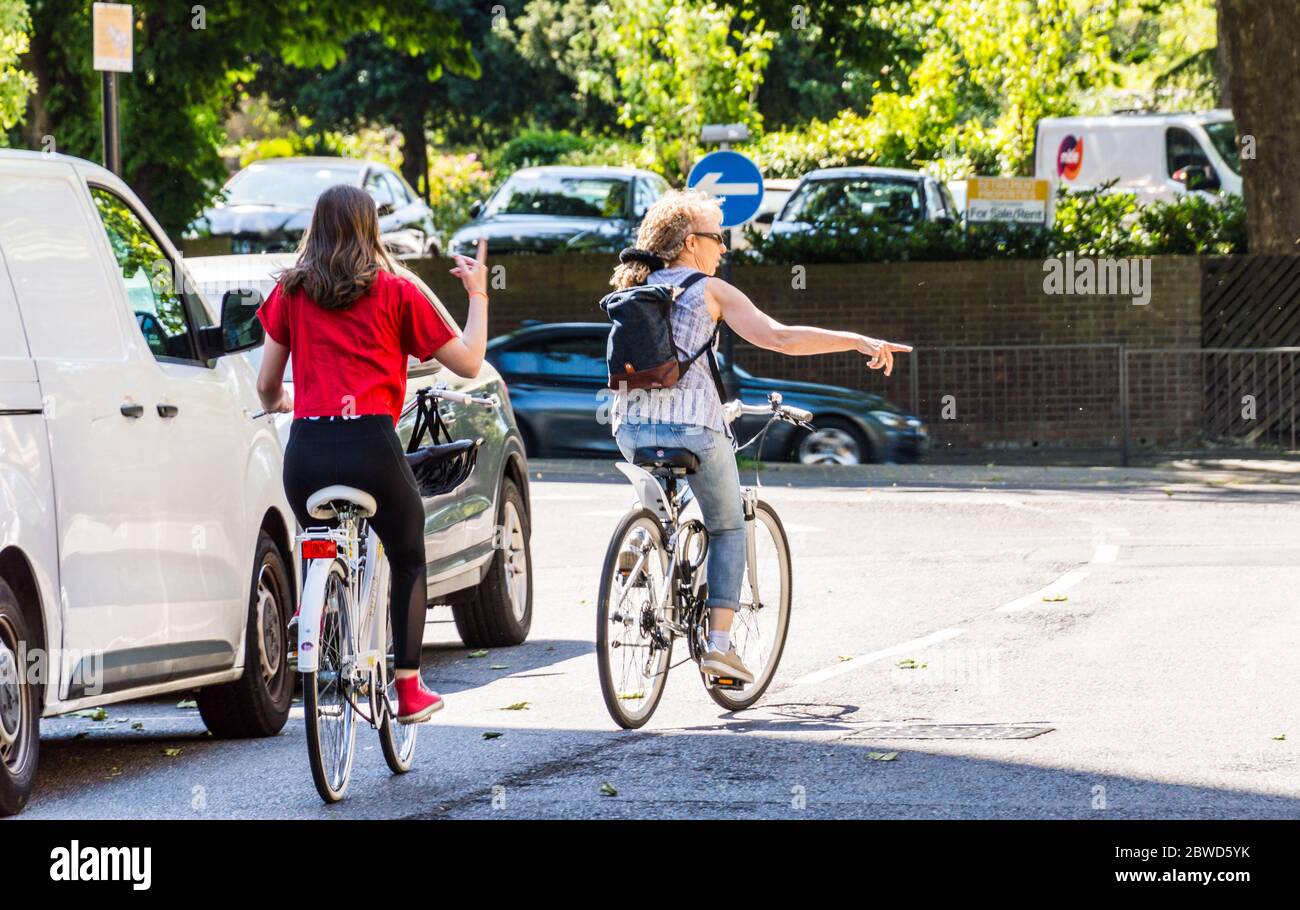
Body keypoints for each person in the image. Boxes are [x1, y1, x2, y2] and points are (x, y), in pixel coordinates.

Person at [609, 189, 912, 683]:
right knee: (727, 526)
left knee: (669, 489)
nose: (723, 249)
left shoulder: (634, 289)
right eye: (717, 238)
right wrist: (857, 340)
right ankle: (720, 647)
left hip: (630, 426)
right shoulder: (710, 291)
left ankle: (644, 545)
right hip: (695, 427)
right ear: (690, 243)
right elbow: (780, 337)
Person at [255, 184, 489, 724]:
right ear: (371, 229)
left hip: (308, 450)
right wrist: (478, 294)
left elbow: (267, 385)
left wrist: (286, 400)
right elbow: (471, 363)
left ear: (316, 228)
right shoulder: (397, 291)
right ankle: (408, 689)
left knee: (312, 533)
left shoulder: (290, 292)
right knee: (407, 554)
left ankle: (307, 612)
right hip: (371, 447)